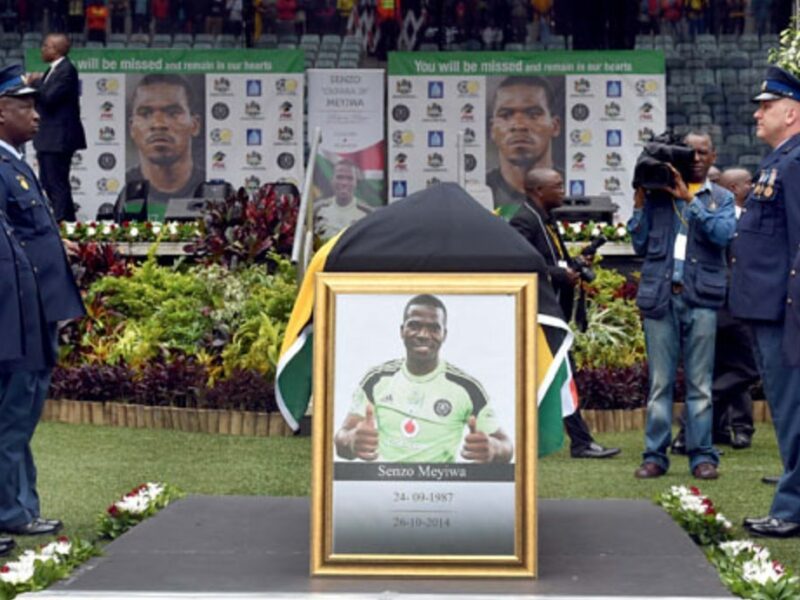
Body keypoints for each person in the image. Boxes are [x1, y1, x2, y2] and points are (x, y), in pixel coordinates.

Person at [0, 65, 85, 541]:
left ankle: (20, 506)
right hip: (18, 313)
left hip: (38, 310)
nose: (37, 114)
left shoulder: (15, 162)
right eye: (25, 106)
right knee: (12, 418)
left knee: (22, 415)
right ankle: (11, 510)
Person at [628, 132, 736, 480]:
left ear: (713, 155)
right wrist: (639, 201)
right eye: (691, 153)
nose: (698, 158)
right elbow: (640, 244)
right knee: (660, 384)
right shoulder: (658, 200)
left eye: (704, 152)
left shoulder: (720, 198)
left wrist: (689, 198)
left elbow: (721, 236)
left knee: (700, 385)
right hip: (661, 298)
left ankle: (702, 456)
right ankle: (654, 457)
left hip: (700, 299)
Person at [730, 66, 800, 539]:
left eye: (767, 105)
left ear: (792, 111)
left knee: (794, 412)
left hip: (784, 312)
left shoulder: (795, 163)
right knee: (786, 408)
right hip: (766, 310)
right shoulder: (781, 159)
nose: (758, 113)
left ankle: (792, 508)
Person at [509, 167, 621, 459]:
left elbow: (552, 259)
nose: (563, 192)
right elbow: (516, 263)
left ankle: (580, 441)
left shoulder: (546, 218)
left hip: (553, 309)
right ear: (537, 191)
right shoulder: (524, 220)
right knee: (561, 370)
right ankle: (580, 442)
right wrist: (560, 274)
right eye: (557, 187)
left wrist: (575, 263)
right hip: (538, 313)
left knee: (561, 371)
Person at [334, 294, 514, 463]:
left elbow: (506, 445)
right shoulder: (376, 379)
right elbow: (342, 438)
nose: (423, 334)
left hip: (443, 490)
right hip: (386, 485)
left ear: (444, 334)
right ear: (402, 331)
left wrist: (493, 448)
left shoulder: (467, 388)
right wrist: (351, 440)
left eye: (434, 328)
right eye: (414, 325)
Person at [671, 166, 758, 453]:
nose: (754, 188)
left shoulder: (739, 216)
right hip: (728, 304)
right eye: (748, 183)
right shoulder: (712, 218)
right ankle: (692, 424)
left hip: (730, 303)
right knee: (747, 367)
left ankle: (700, 430)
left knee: (728, 369)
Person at [120, 74, 204, 221]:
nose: (158, 124)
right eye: (145, 113)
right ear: (132, 128)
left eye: (173, 113)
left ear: (195, 125)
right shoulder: (122, 189)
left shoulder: (215, 191)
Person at [24, 33, 87, 222]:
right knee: (50, 183)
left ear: (55, 49)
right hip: (49, 138)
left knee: (56, 183)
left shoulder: (66, 70)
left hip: (58, 138)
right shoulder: (54, 70)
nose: (42, 49)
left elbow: (49, 98)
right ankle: (67, 220)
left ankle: (59, 223)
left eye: (45, 46)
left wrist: (34, 83)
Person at [486, 76, 562, 209]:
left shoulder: (571, 187)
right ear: (492, 129)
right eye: (506, 115)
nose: (519, 125)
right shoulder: (482, 189)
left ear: (555, 126)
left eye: (533, 114)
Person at [314, 159, 373, 240]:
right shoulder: (317, 209)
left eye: (350, 178)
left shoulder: (367, 213)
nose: (344, 183)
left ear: (356, 182)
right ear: (332, 180)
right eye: (340, 177)